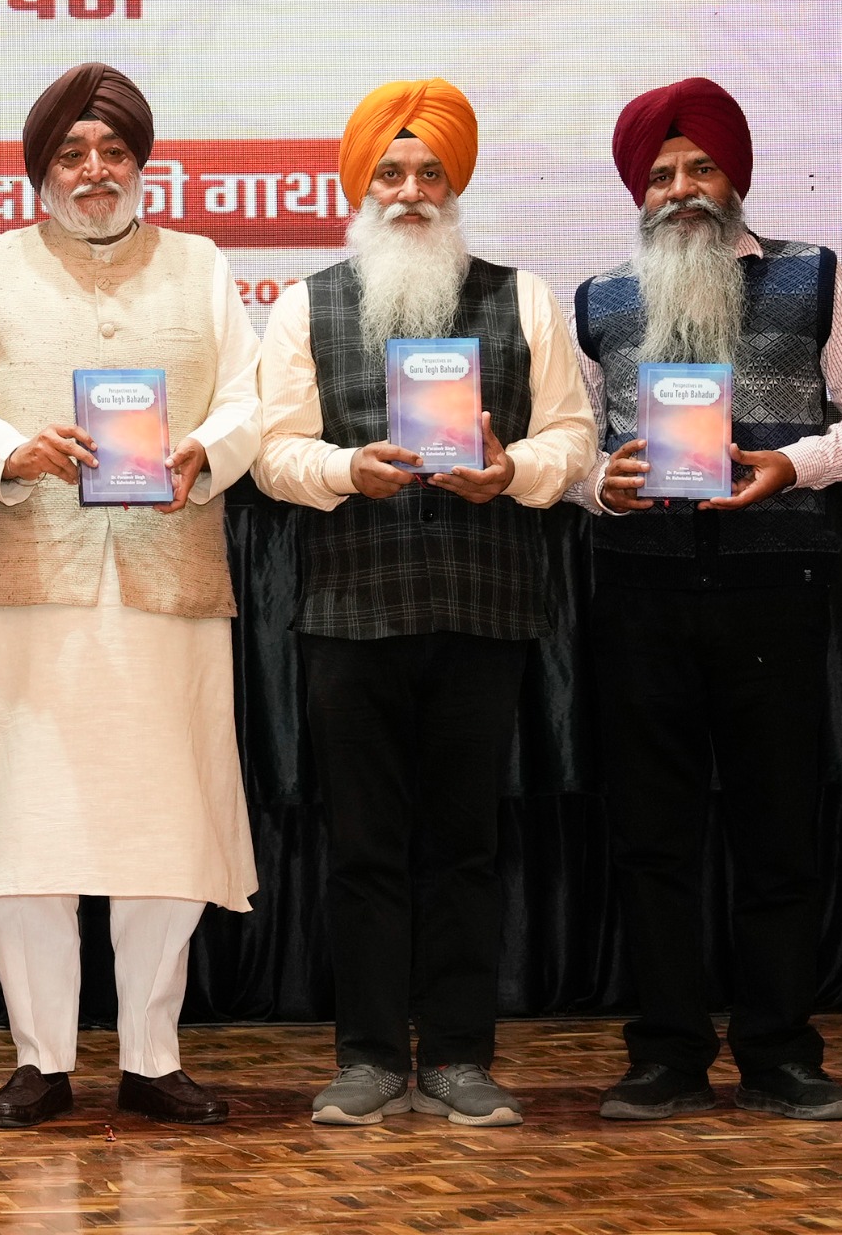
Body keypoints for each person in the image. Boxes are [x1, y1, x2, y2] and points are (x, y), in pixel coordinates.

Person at [252, 79, 597, 1128]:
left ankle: (455, 1056)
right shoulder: (305, 304)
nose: (410, 191)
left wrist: (514, 472)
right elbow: (272, 453)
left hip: (482, 613)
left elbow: (572, 436)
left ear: (455, 187)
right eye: (391, 173)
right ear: (361, 187)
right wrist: (344, 469)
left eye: (430, 174)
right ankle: (365, 1058)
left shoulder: (522, 297)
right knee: (361, 849)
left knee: (464, 848)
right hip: (351, 614)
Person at [0, 63, 262, 1129]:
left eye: (113, 151)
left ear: (140, 163)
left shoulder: (202, 264)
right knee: (25, 821)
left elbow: (252, 397)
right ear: (43, 171)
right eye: (72, 154)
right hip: (28, 585)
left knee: (165, 820)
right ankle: (41, 1057)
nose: (95, 170)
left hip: (166, 582)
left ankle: (153, 1057)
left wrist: (203, 450)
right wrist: (13, 451)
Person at [570, 78, 842, 1123]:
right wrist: (602, 484)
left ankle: (779, 1052)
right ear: (638, 194)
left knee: (778, 833)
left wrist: (795, 465)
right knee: (652, 838)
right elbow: (570, 444)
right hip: (640, 593)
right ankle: (667, 1054)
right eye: (660, 175)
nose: (680, 190)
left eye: (700, 168)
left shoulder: (813, 277)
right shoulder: (597, 299)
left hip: (775, 587)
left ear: (734, 179)